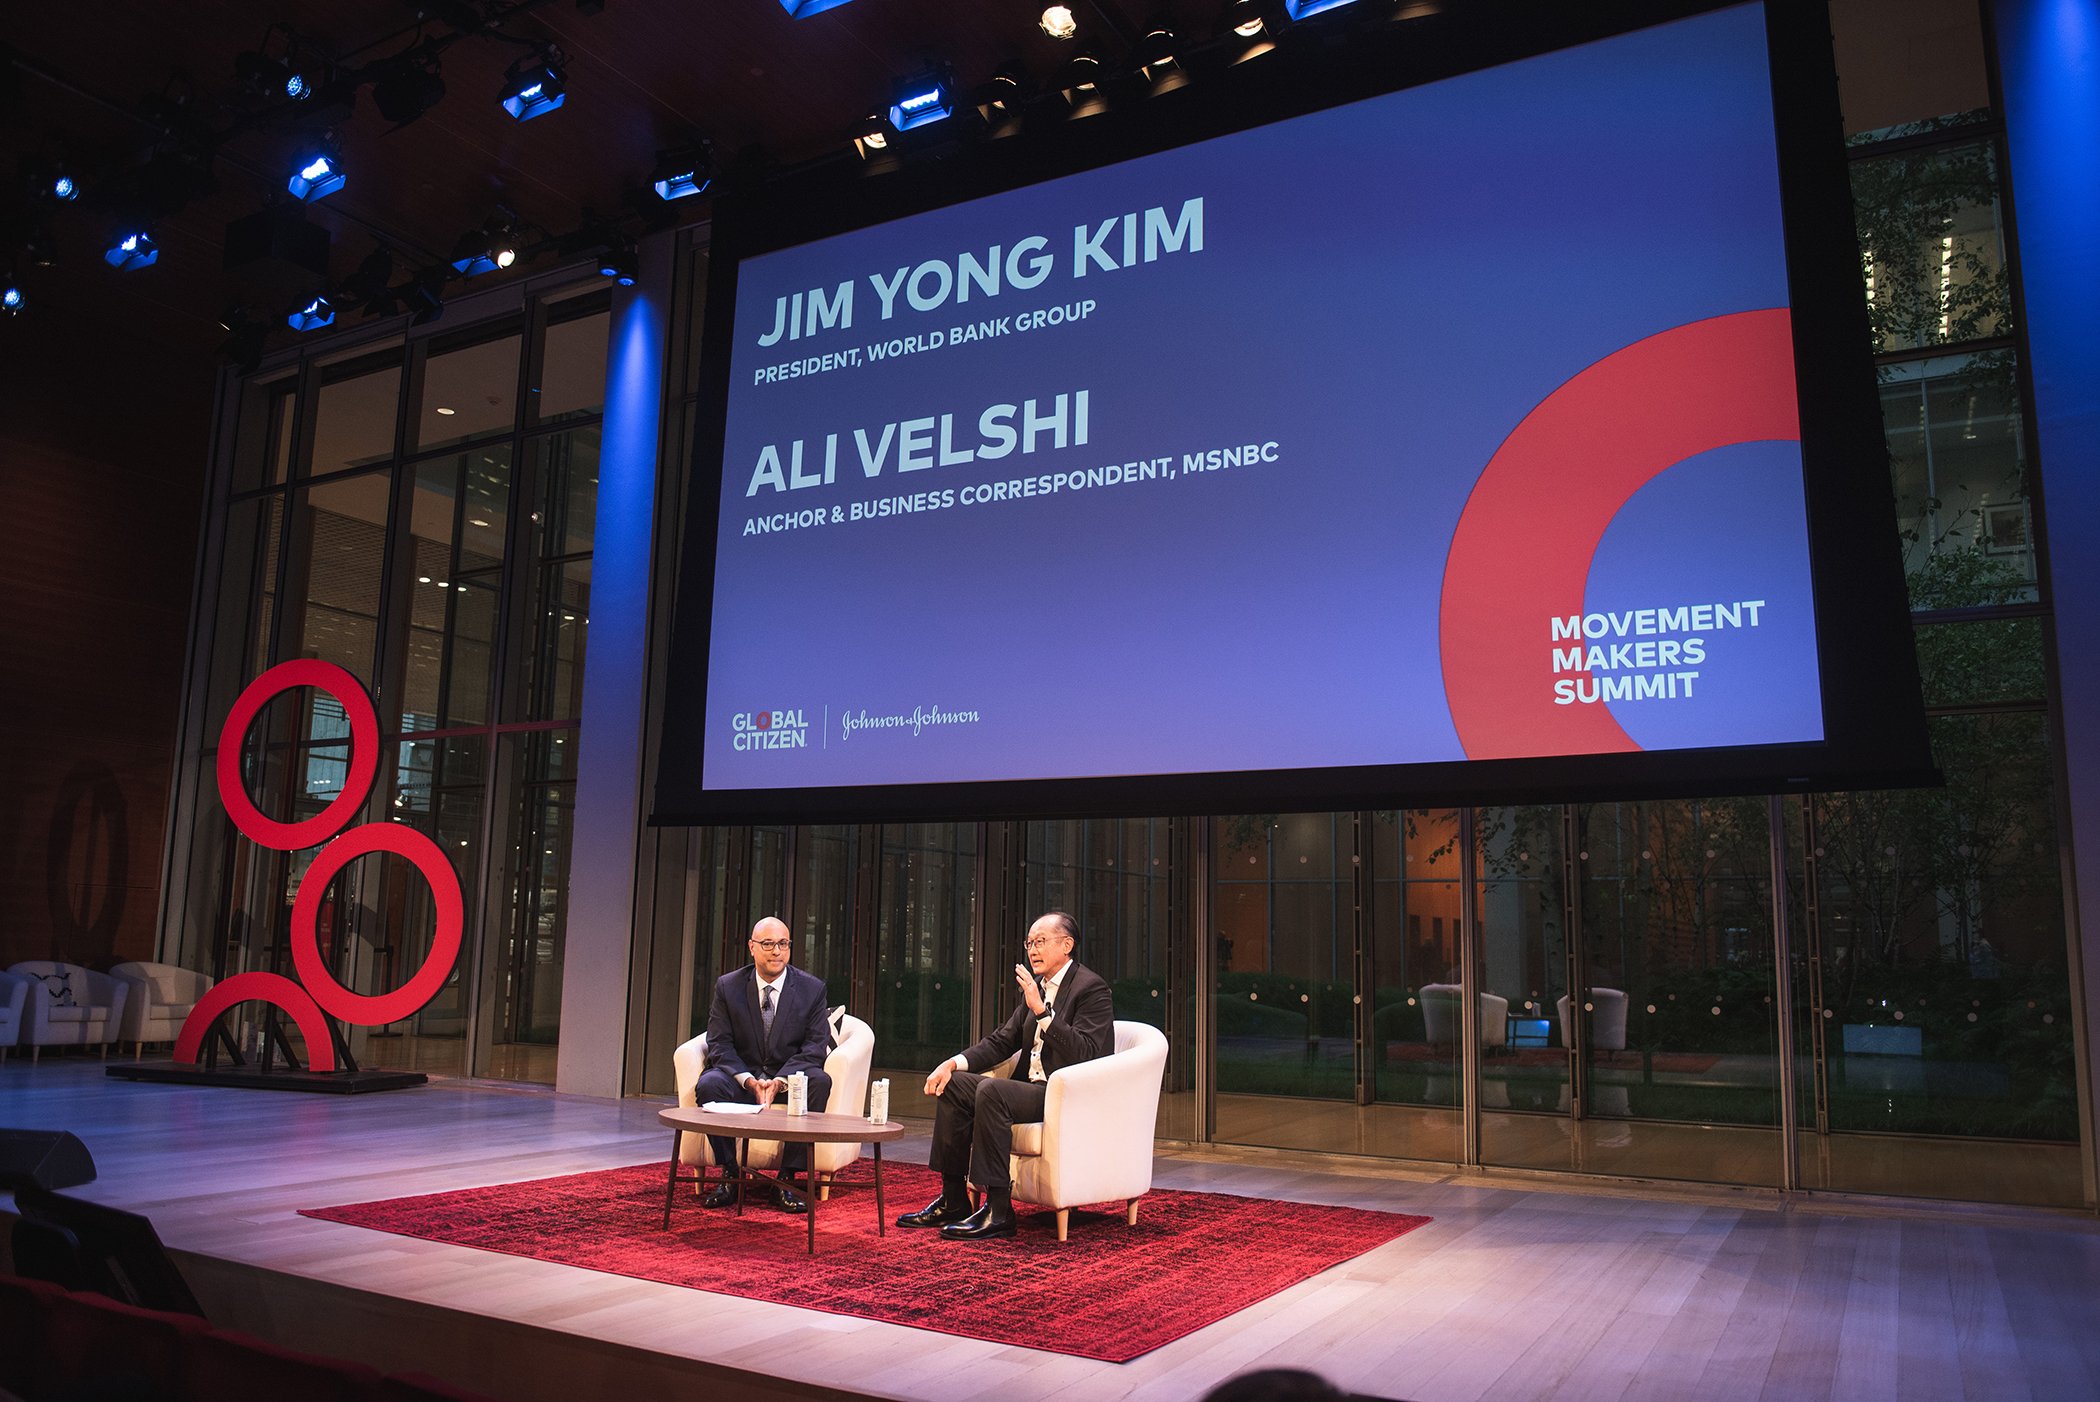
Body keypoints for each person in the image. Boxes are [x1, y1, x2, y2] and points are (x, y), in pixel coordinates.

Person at [896, 910, 1114, 1241]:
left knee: (993, 1092)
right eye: (1029, 943)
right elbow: (1002, 1040)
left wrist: (1042, 1011)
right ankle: (954, 1200)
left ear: (1067, 944)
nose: (1032, 950)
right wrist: (952, 1064)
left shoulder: (1091, 988)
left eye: (1040, 941)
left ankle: (999, 1210)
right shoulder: (1037, 986)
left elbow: (1087, 1052)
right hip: (1030, 1090)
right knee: (954, 1086)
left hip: (1066, 1094)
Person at [691, 915, 834, 1214]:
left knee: (819, 1081)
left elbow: (813, 1048)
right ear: (752, 947)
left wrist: (780, 1081)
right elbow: (719, 1043)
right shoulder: (728, 987)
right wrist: (748, 1080)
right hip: (743, 1079)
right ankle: (730, 1172)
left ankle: (787, 1179)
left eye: (783, 944)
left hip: (786, 1082)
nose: (777, 952)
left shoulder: (811, 989)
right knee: (708, 1084)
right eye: (768, 944)